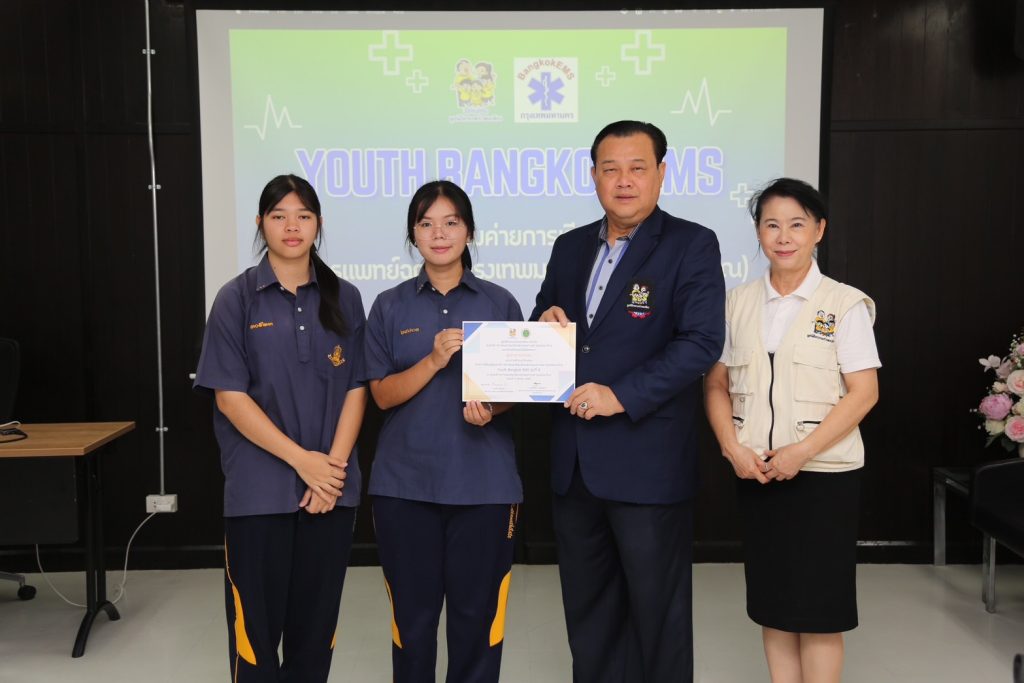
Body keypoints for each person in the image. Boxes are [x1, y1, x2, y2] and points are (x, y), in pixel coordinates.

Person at [531, 120, 726, 683]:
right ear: (593, 175)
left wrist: (621, 395)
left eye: (637, 168)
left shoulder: (691, 244)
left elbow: (700, 343)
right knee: (589, 616)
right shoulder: (569, 246)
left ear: (661, 173)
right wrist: (542, 322)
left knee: (657, 617)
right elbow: (546, 320)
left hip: (648, 466)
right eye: (610, 169)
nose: (623, 181)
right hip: (576, 467)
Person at [703, 178, 880, 683]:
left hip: (825, 477)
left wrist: (801, 451)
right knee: (774, 605)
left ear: (818, 230)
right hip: (757, 472)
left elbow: (864, 393)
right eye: (771, 225)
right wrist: (732, 448)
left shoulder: (844, 303)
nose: (784, 237)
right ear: (758, 232)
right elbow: (715, 384)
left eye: (797, 225)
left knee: (820, 611)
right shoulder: (736, 303)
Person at [194, 174, 367, 683]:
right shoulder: (236, 298)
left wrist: (330, 472)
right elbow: (230, 398)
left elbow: (357, 388)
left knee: (315, 638)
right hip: (259, 494)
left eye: (303, 216)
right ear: (260, 223)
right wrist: (303, 462)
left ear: (318, 223)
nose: (292, 227)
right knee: (256, 642)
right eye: (279, 216)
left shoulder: (346, 297)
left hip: (330, 493)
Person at [363, 180, 523, 683]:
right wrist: (432, 361)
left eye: (451, 222)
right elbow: (381, 395)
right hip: (404, 488)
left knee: (478, 625)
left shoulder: (499, 302)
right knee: (412, 626)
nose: (439, 234)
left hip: (484, 487)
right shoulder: (388, 305)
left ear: (469, 231)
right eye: (426, 223)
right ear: (413, 235)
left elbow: (518, 389)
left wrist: (492, 408)